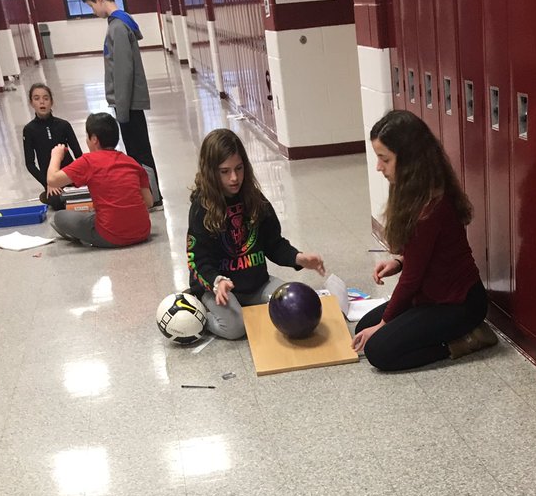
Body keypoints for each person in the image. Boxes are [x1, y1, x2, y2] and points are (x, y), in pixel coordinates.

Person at [353, 109, 496, 371]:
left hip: (458, 303)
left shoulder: (431, 206)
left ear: (408, 159)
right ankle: (413, 330)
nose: (378, 167)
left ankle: (466, 339)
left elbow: (411, 281)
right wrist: (398, 261)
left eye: (384, 159)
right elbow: (422, 254)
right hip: (429, 296)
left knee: (378, 351)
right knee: (364, 327)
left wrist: (384, 325)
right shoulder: (413, 192)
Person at [187, 128, 325, 340]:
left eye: (239, 168)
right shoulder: (201, 208)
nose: (234, 178)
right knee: (235, 329)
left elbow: (274, 243)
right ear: (210, 172)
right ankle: (199, 314)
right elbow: (197, 260)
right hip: (219, 289)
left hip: (257, 284)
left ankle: (245, 306)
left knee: (296, 306)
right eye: (225, 171)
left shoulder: (254, 199)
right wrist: (217, 281)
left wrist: (298, 258)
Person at [79, 0, 161, 206]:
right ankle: (149, 195)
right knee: (138, 151)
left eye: (90, 5)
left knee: (139, 154)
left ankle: (153, 197)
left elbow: (123, 72)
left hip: (128, 103)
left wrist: (121, 111)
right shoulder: (120, 23)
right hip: (128, 103)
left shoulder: (117, 27)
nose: (92, 11)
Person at [46, 111, 152, 248]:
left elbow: (52, 180)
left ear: (94, 139)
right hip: (142, 231)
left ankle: (88, 237)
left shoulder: (88, 161)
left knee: (59, 217)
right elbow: (148, 202)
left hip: (110, 235)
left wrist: (56, 155)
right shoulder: (131, 162)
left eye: (87, 136)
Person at [21, 82, 82, 211]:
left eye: (46, 98)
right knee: (57, 202)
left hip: (69, 175)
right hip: (51, 180)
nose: (42, 102)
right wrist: (48, 183)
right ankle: (48, 194)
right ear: (31, 103)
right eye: (37, 98)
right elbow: (30, 164)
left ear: (51, 102)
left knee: (82, 197)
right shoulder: (29, 129)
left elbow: (78, 155)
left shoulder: (64, 125)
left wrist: (80, 177)